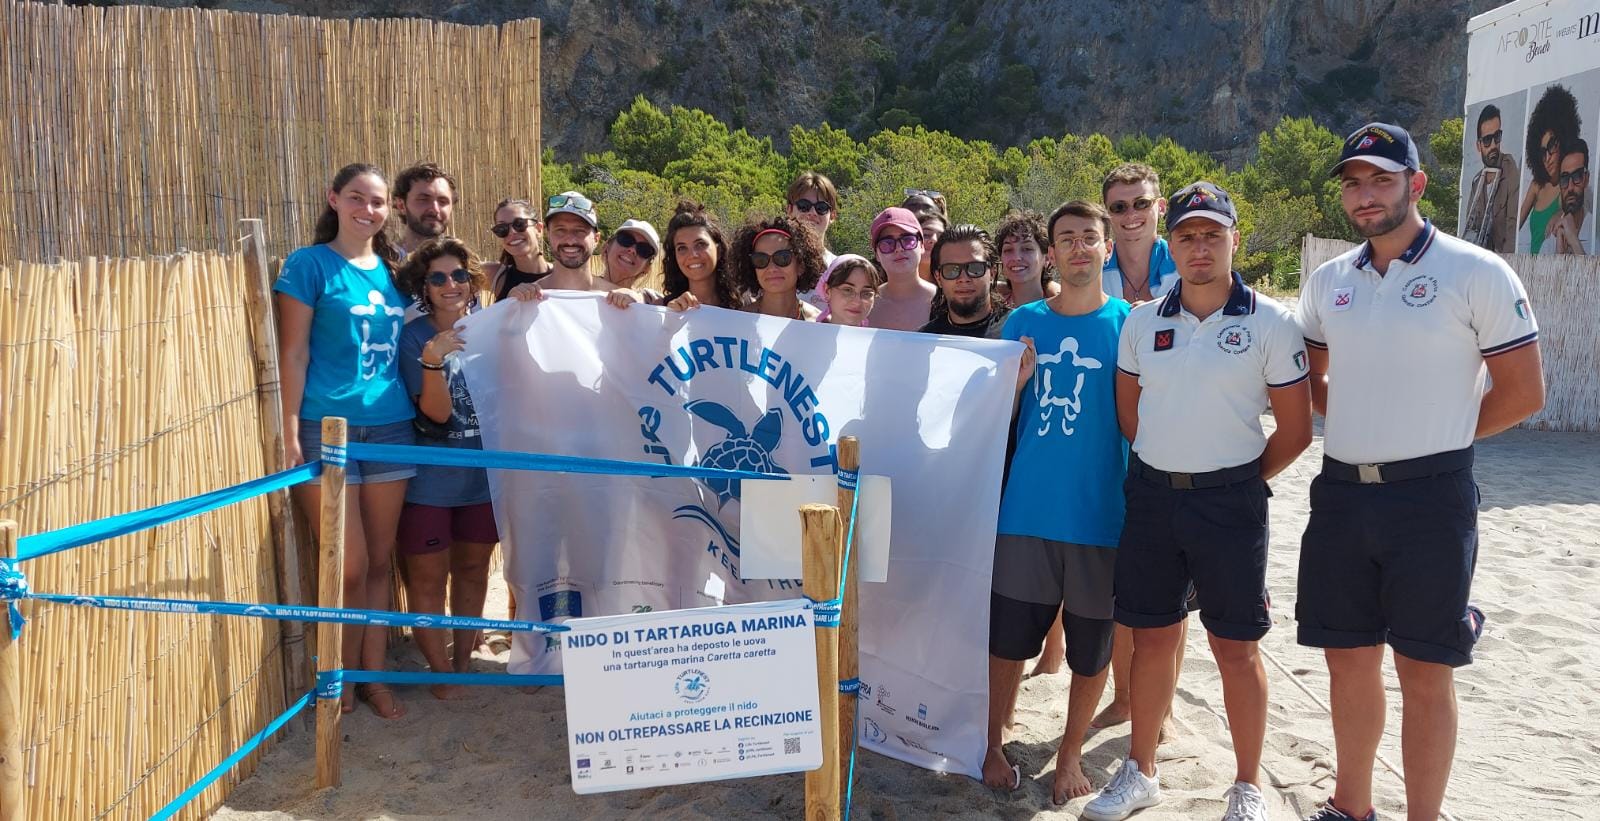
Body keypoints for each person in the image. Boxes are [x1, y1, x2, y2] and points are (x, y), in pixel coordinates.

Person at [1295, 123, 1543, 821]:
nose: (1365, 194)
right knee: (1347, 660)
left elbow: (1524, 392)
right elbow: (1309, 379)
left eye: (1381, 178)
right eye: (1353, 182)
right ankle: (1352, 807)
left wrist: (1434, 436)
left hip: (1432, 498)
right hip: (1342, 492)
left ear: (1417, 184)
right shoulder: (1329, 281)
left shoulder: (1476, 271)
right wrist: (1356, 425)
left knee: (1425, 669)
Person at [1083, 182, 1313, 821]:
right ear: (1171, 242)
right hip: (1155, 499)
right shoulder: (1143, 319)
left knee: (1235, 647)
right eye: (1187, 235)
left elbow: (1295, 432)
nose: (1200, 247)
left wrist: (1232, 480)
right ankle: (1141, 770)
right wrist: (1176, 467)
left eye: (1213, 233)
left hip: (1231, 505)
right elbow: (1131, 418)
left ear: (1234, 238)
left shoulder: (1271, 321)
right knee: (1152, 638)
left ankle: (1246, 787)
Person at [982, 201, 1127, 804]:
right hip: (1028, 510)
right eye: (1065, 239)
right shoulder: (1021, 322)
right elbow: (988, 418)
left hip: (1102, 514)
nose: (1078, 249)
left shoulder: (1132, 324)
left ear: (1107, 248)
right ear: (1051, 252)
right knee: (1008, 638)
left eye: (1089, 238)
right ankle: (992, 740)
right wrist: (1009, 389)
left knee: (1092, 647)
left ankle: (1069, 754)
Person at [273, 163, 415, 720]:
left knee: (380, 562)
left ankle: (372, 681)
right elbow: (294, 352)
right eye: (357, 198)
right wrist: (288, 431)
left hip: (392, 427)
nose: (368, 210)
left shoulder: (394, 270)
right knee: (346, 565)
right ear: (333, 199)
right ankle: (339, 683)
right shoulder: (307, 266)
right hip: (325, 429)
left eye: (378, 202)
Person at [395, 238, 498, 700]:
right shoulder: (415, 338)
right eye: (437, 278)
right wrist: (433, 361)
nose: (450, 284)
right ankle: (439, 670)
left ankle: (463, 662)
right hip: (429, 482)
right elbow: (436, 414)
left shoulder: (494, 330)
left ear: (472, 281)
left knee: (474, 570)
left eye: (458, 275)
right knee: (429, 578)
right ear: (425, 287)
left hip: (483, 479)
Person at [502, 191, 619, 302]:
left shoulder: (615, 300)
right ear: (548, 235)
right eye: (560, 230)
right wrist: (511, 306)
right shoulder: (528, 299)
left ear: (596, 239)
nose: (570, 240)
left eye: (579, 231)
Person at [1101, 163, 1178, 304]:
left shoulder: (1185, 269)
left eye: (1142, 203)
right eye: (1119, 207)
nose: (1131, 215)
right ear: (1106, 213)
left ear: (1161, 207)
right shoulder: (1093, 275)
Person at [1519, 85, 1580, 254]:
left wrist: (1561, 212)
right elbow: (1514, 225)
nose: (1547, 158)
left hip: (1553, 274)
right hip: (1529, 272)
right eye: (1542, 152)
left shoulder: (1568, 186)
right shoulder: (1536, 185)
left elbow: (1573, 212)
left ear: (1564, 138)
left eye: (1552, 145)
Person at [918, 224, 1009, 338]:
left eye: (975, 268)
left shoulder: (1020, 330)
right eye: (951, 270)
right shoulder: (924, 341)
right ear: (938, 278)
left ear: (992, 273)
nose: (963, 278)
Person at [731, 216, 824, 320]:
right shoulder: (737, 321)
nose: (771, 268)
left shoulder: (821, 324)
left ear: (801, 265)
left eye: (783, 257)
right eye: (760, 259)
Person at [662, 200, 742, 311]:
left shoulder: (744, 309)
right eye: (682, 248)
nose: (692, 255)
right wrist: (669, 318)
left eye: (700, 244)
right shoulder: (662, 308)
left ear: (719, 251)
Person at [865, 207, 935, 330]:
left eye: (908, 240)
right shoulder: (864, 305)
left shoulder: (944, 303)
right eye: (887, 243)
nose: (898, 248)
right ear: (877, 254)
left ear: (921, 245)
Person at [1462, 105, 1518, 253]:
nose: (1493, 145)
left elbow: (1513, 225)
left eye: (1497, 136)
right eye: (1487, 140)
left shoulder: (1509, 168)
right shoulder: (1477, 182)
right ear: (1478, 145)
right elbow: (1470, 228)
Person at [484, 198, 552, 301]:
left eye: (519, 224)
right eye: (502, 229)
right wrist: (510, 303)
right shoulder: (495, 276)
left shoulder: (563, 275)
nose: (512, 232)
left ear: (538, 229)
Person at [994, 209, 1060, 308]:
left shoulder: (1062, 309)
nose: (1016, 257)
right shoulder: (991, 307)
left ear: (1047, 258)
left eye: (1027, 249)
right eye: (1008, 250)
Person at [393, 163, 457, 258]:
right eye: (423, 200)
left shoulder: (462, 264)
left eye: (442, 201)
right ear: (401, 206)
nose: (435, 209)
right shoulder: (384, 265)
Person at [601, 218, 665, 300]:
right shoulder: (581, 289)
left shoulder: (652, 304)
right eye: (626, 240)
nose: (632, 250)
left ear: (647, 268)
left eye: (644, 249)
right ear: (607, 246)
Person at [1545, 139, 1590, 255]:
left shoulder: (1595, 232)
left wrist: (1574, 241)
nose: (1570, 187)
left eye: (1577, 176)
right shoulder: (1551, 236)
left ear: (1586, 179)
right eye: (1564, 178)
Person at [787, 170, 840, 268]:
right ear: (789, 210)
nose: (812, 213)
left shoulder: (839, 268)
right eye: (804, 206)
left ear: (832, 216)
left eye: (821, 207)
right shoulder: (774, 263)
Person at [818, 254, 879, 327]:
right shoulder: (808, 336)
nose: (857, 302)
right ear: (827, 291)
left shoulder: (883, 337)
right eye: (848, 290)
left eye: (866, 293)